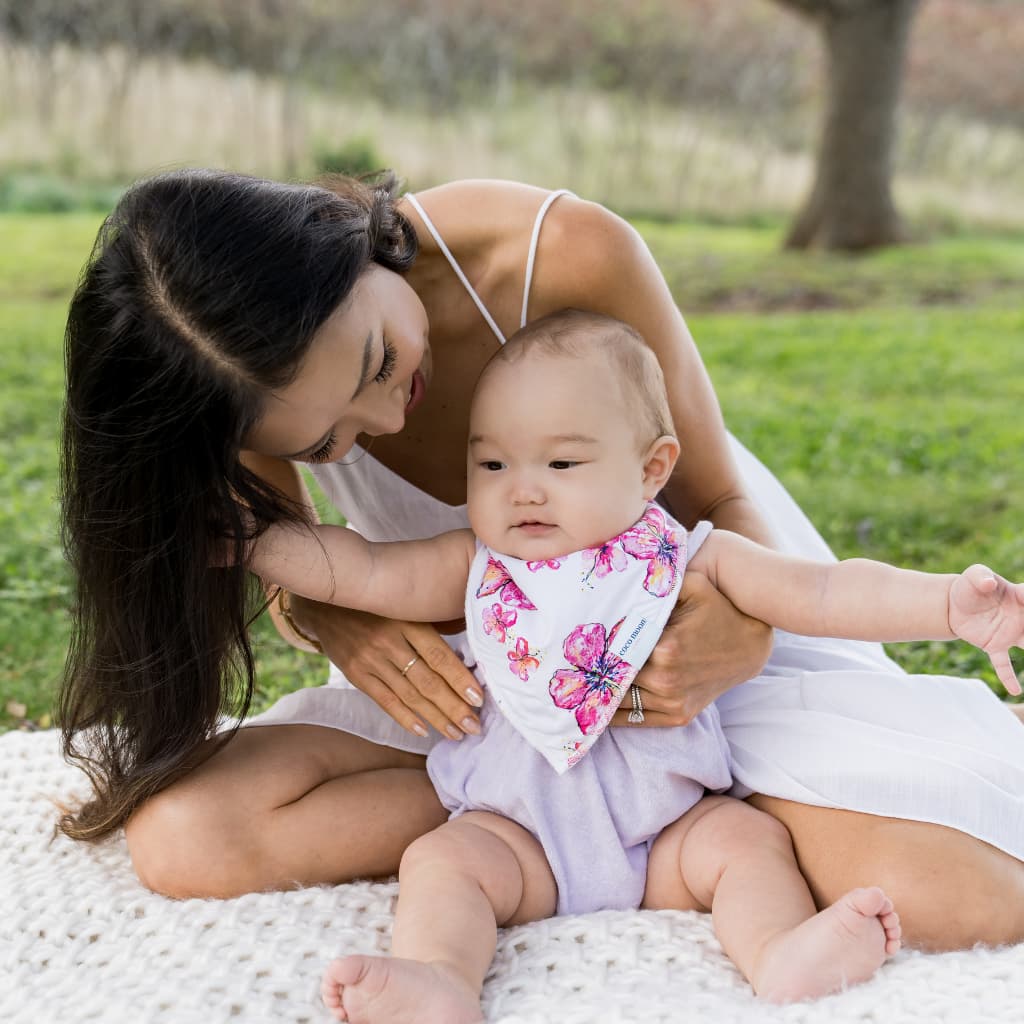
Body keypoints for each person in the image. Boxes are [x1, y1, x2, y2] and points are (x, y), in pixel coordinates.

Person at [58, 170, 1024, 956]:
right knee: (188, 833)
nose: (386, 420)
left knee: (950, 897)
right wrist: (336, 618)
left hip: (687, 655)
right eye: (328, 444)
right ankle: (549, 834)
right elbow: (300, 562)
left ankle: (698, 819)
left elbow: (719, 502)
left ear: (337, 243)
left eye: (376, 366)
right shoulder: (233, 377)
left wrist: (739, 636)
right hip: (488, 705)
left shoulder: (557, 255)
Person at [244, 310, 1021, 1018]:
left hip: (671, 830)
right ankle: (441, 979)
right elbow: (359, 570)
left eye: (562, 465)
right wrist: (251, 539)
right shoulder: (475, 567)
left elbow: (825, 590)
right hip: (516, 837)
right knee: (441, 863)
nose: (524, 492)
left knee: (747, 846)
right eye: (492, 467)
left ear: (652, 470)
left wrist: (952, 605)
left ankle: (779, 952)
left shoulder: (690, 560)